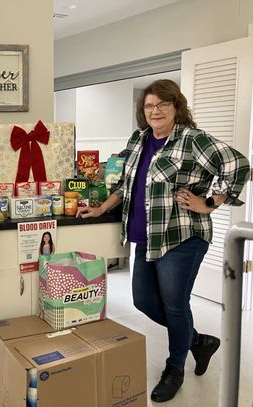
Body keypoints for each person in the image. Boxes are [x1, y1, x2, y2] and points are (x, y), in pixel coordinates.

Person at [77, 79, 249, 403]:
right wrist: (102, 207)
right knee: (143, 300)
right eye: (149, 106)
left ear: (176, 106)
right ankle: (198, 342)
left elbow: (237, 164)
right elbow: (125, 185)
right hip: (146, 236)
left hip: (182, 235)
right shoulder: (139, 139)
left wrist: (208, 203)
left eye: (162, 105)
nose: (154, 111)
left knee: (175, 305)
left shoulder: (192, 139)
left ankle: (175, 368)